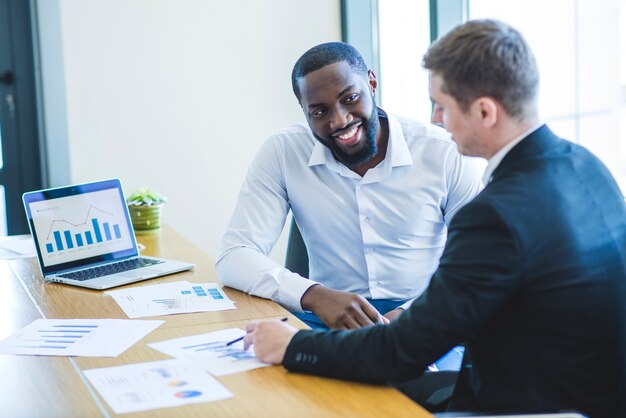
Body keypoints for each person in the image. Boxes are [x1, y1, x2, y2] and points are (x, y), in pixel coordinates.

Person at [243, 20, 626, 417]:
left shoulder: (494, 215)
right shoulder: (587, 165)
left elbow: (401, 352)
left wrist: (291, 345)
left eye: (442, 105)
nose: (438, 119)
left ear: (484, 111)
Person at [216, 42, 483, 330]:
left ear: (371, 82)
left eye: (350, 98)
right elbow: (235, 254)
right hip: (325, 321)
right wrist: (313, 295)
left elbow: (479, 262)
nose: (340, 120)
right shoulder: (283, 152)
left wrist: (412, 314)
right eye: (319, 112)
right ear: (303, 109)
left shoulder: (444, 152)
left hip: (426, 315)